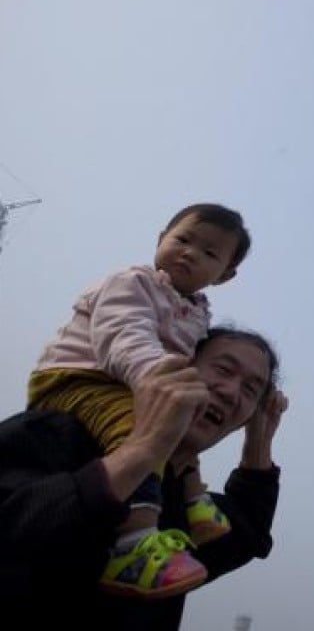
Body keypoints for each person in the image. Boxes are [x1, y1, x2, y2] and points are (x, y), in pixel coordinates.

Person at [25, 202, 251, 597]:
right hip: (80, 377)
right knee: (145, 430)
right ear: (161, 238)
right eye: (182, 239)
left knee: (180, 426)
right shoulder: (133, 283)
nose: (190, 252)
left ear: (225, 275)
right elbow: (122, 335)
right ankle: (134, 545)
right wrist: (155, 377)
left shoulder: (197, 313)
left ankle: (194, 501)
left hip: (133, 381)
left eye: (210, 253)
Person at [0, 326, 287, 630]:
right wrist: (144, 448)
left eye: (251, 391)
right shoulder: (56, 431)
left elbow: (244, 536)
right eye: (223, 369)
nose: (230, 393)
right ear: (174, 366)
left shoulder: (183, 504)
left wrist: (259, 442)